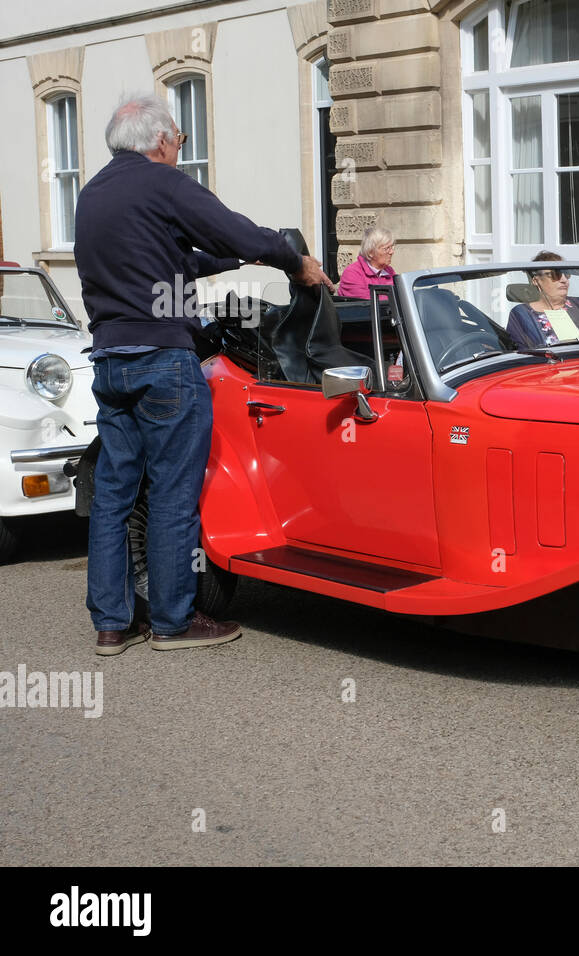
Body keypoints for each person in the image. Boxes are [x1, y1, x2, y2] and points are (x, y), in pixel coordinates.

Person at [75, 93, 334, 656]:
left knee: (116, 494)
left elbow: (179, 259)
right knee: (174, 489)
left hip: (110, 362)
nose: (179, 149)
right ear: (161, 139)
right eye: (180, 140)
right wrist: (290, 258)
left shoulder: (91, 195)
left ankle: (112, 624)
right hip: (163, 360)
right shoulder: (162, 183)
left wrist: (236, 260)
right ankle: (172, 620)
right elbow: (229, 228)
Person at [506, 251, 579, 347]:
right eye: (555, 274)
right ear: (536, 281)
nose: (564, 280)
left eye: (567, 274)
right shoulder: (522, 313)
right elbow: (522, 354)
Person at [337, 226, 395, 299]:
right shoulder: (352, 273)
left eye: (392, 247)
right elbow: (367, 303)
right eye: (386, 248)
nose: (392, 252)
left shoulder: (389, 271)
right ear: (370, 252)